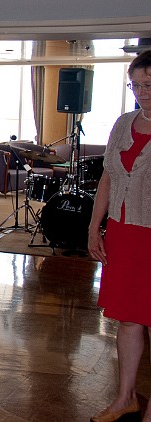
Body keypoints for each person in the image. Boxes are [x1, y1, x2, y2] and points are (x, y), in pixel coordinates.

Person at [88, 50, 151, 422]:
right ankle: (125, 396)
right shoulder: (123, 123)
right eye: (137, 85)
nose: (143, 92)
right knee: (129, 318)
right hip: (125, 234)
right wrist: (95, 226)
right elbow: (109, 177)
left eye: (150, 85)